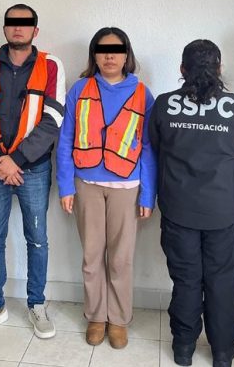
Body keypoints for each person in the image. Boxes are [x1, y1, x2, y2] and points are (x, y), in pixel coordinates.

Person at [149, 40, 234, 366]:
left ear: (182, 70)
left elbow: (156, 146)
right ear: (219, 69)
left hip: (179, 211)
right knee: (222, 282)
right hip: (223, 213)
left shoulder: (164, 105)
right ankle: (222, 353)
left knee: (186, 280)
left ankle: (183, 348)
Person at [0, 3, 65, 339]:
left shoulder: (51, 65)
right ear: (5, 28)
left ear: (35, 30)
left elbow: (53, 119)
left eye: (25, 24)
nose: (18, 28)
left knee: (37, 239)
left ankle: (36, 304)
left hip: (32, 169)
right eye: (12, 23)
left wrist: (17, 161)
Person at [56, 27, 156, 349]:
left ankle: (119, 319)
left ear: (127, 55)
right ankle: (96, 316)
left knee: (121, 259)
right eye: (102, 50)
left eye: (116, 50)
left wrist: (148, 193)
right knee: (91, 256)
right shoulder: (80, 89)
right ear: (94, 55)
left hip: (127, 187)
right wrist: (65, 186)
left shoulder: (142, 93)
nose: (109, 56)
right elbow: (66, 139)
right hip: (86, 185)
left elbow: (149, 148)